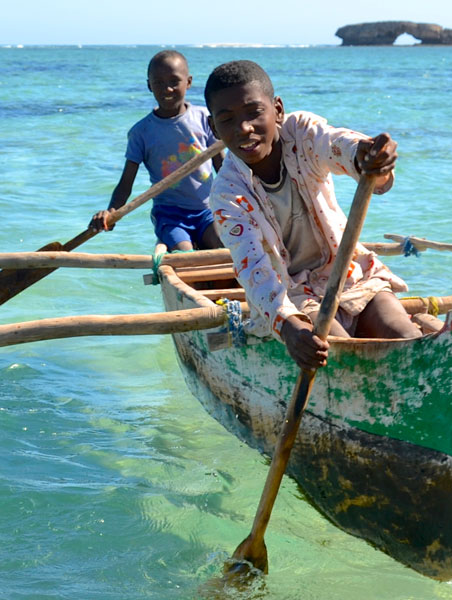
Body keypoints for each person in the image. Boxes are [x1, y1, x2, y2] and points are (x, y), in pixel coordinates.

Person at [202, 60, 434, 371]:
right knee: (340, 357)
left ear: (278, 110)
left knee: (405, 337)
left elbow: (338, 144)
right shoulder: (227, 193)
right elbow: (254, 270)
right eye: (227, 120)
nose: (244, 128)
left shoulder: (302, 133)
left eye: (254, 112)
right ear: (213, 128)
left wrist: (368, 157)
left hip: (349, 276)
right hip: (292, 296)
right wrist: (289, 326)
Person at [90, 50, 224, 251]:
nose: (167, 89)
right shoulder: (141, 132)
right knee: (185, 254)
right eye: (158, 83)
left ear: (188, 82)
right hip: (170, 216)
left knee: (223, 248)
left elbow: (221, 165)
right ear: (148, 85)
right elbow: (126, 183)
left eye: (174, 81)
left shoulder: (205, 118)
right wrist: (111, 213)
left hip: (207, 211)